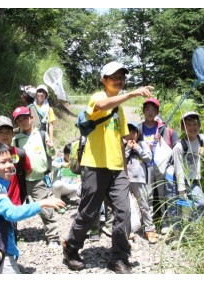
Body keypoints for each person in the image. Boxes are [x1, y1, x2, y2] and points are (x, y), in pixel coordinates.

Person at [62, 61, 153, 274]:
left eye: (122, 77)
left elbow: (121, 141)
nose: (119, 80)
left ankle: (119, 257)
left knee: (124, 211)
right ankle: (72, 248)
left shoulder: (120, 111)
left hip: (117, 169)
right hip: (94, 166)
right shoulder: (98, 97)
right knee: (88, 212)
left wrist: (125, 171)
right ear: (104, 79)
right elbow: (102, 107)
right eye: (114, 77)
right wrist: (132, 94)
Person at [0, 141, 65, 273]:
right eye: (3, 162)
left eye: (10, 160)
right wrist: (42, 203)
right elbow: (12, 213)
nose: (9, 165)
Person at [11, 106, 61, 248]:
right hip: (20, 180)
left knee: (45, 207)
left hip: (38, 179)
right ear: (16, 123)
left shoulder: (42, 134)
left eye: (25, 118)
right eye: (19, 120)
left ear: (31, 118)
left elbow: (51, 154)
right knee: (14, 206)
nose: (23, 121)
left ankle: (53, 237)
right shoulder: (16, 139)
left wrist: (51, 147)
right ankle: (10, 234)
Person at [138, 97, 178, 234]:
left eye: (153, 109)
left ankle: (165, 220)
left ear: (157, 111)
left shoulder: (163, 129)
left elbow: (173, 148)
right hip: (144, 168)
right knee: (146, 195)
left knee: (163, 194)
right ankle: (148, 223)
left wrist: (161, 142)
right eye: (147, 109)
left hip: (161, 167)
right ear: (143, 111)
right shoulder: (139, 129)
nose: (150, 112)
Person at [124, 121, 158, 244]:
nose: (131, 136)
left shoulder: (142, 144)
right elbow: (120, 159)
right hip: (125, 180)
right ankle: (128, 229)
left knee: (144, 205)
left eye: (133, 133)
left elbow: (149, 158)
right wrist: (128, 148)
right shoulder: (122, 146)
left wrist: (136, 147)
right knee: (126, 206)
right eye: (128, 133)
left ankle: (149, 229)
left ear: (137, 134)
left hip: (139, 179)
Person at [51, 143, 81, 214]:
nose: (70, 158)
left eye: (72, 155)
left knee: (83, 186)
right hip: (58, 187)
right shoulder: (59, 160)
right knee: (58, 184)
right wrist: (61, 165)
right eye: (68, 155)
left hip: (69, 188)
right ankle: (58, 204)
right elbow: (50, 166)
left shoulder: (75, 163)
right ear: (64, 154)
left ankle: (66, 198)